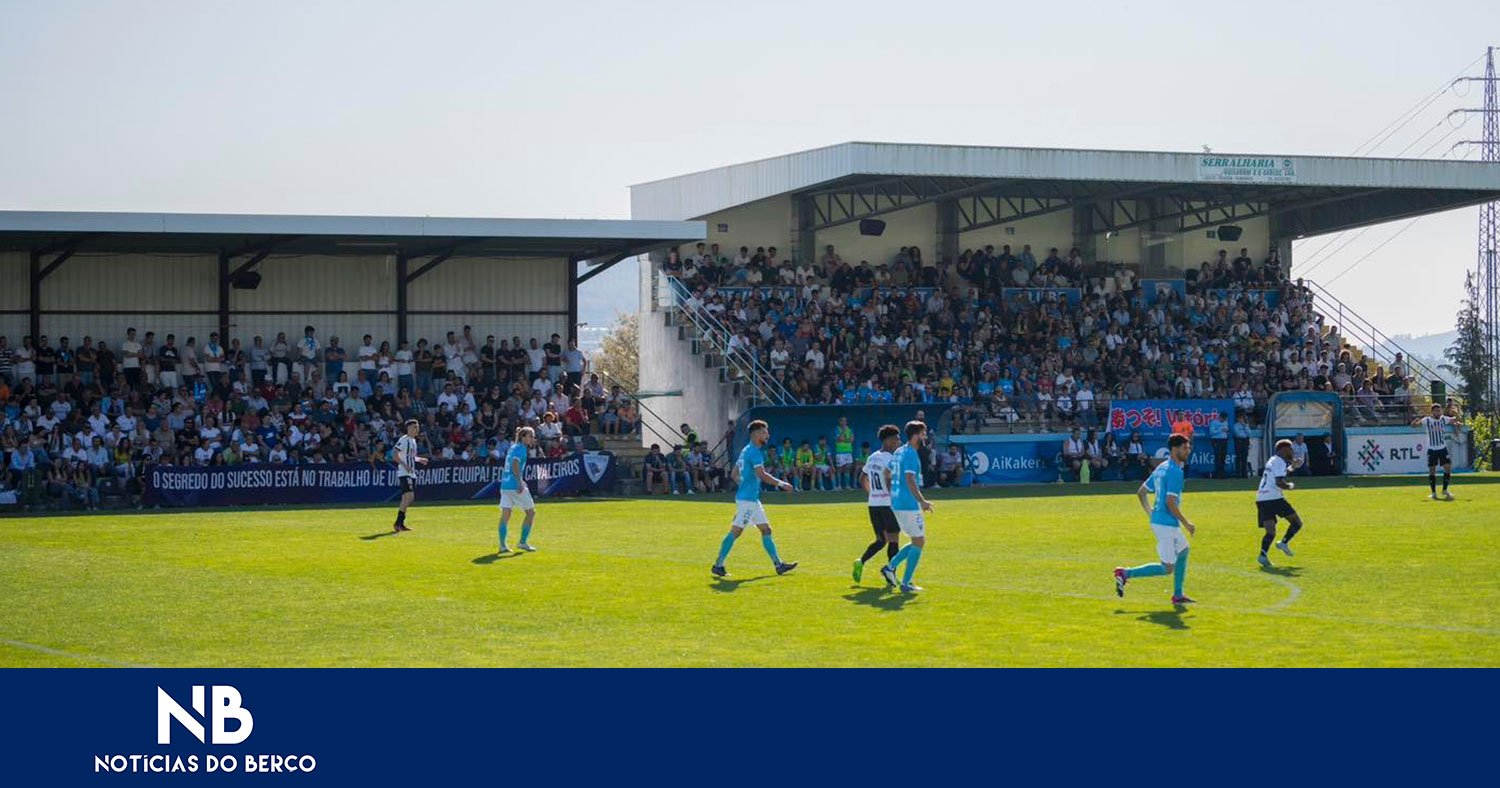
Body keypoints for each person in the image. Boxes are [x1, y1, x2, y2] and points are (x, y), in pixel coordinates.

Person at [1113, 433, 1197, 606]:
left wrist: (1150, 513)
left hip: (1162, 521)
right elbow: (1170, 502)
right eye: (1185, 448)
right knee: (1167, 568)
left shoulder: (1161, 468)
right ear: (1175, 449)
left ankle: (1178, 594)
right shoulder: (1174, 471)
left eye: (1189, 448)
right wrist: (1186, 523)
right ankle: (1125, 573)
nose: (1188, 451)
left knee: (1183, 550)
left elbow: (1141, 492)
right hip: (1166, 524)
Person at [711, 419, 798, 578]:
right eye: (765, 432)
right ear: (756, 433)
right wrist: (782, 484)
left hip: (749, 499)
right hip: (748, 501)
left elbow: (734, 474)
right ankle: (718, 564)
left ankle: (778, 565)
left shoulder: (746, 450)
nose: (767, 435)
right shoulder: (754, 452)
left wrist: (744, 486)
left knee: (766, 530)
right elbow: (761, 475)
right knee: (735, 532)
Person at [880, 420, 935, 593]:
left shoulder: (899, 451)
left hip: (897, 502)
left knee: (917, 540)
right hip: (908, 503)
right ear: (916, 435)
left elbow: (886, 472)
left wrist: (892, 492)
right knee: (919, 541)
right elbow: (910, 480)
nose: (925, 436)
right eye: (923, 433)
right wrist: (922, 502)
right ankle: (906, 582)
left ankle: (890, 568)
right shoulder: (910, 454)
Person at [852, 424, 901, 583]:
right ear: (887, 440)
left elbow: (862, 479)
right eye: (896, 439)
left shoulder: (872, 456)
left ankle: (861, 561)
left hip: (873, 504)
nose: (899, 442)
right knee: (893, 539)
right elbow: (888, 479)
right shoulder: (891, 459)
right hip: (887, 505)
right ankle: (891, 573)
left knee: (881, 540)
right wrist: (892, 497)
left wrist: (873, 494)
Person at [1256, 439, 1305, 568]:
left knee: (1270, 532)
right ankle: (1284, 543)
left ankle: (1262, 555)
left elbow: (1280, 474)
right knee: (1297, 523)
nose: (1292, 451)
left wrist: (1293, 467)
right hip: (1274, 498)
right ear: (1283, 449)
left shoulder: (1273, 460)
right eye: (1290, 449)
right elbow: (1279, 482)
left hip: (1262, 498)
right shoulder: (1279, 462)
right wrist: (1290, 486)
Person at [497, 426, 538, 553]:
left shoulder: (512, 447)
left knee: (505, 515)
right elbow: (515, 464)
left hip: (505, 485)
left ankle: (502, 545)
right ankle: (522, 542)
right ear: (523, 437)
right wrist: (519, 482)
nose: (532, 439)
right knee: (531, 513)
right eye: (530, 436)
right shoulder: (521, 449)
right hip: (515, 486)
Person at [1415, 402, 1458, 501]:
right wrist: (1414, 423)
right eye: (1436, 411)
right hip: (1432, 449)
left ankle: (1445, 490)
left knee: (1447, 468)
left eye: (1439, 411)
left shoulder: (1443, 419)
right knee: (1432, 470)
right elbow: (1416, 425)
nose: (1438, 413)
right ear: (1432, 412)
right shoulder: (1427, 420)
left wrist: (1456, 413)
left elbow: (1455, 420)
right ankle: (1433, 493)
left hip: (1442, 448)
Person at [392, 418, 428, 533]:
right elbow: (395, 455)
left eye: (417, 427)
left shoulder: (413, 441)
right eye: (414, 427)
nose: (417, 429)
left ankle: (400, 524)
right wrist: (404, 465)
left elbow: (410, 456)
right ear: (408, 428)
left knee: (405, 498)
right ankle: (398, 522)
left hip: (411, 473)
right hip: (404, 473)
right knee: (409, 497)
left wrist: (419, 459)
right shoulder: (404, 440)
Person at [833, 416, 855, 491]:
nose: (843, 422)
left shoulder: (850, 429)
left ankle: (847, 485)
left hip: (848, 451)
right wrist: (843, 433)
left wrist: (844, 440)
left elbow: (851, 440)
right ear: (839, 421)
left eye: (845, 421)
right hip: (840, 452)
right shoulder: (837, 429)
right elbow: (839, 439)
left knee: (847, 468)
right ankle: (838, 486)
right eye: (842, 421)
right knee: (839, 469)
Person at [1209, 412, 1230, 479]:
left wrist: (1226, 431)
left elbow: (1226, 430)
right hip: (1217, 440)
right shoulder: (1214, 422)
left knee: (1223, 457)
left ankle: (1222, 473)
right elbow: (1212, 432)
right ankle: (1217, 474)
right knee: (1218, 457)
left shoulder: (1225, 422)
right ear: (1220, 417)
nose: (1224, 420)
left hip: (1224, 440)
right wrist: (1221, 429)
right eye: (1223, 419)